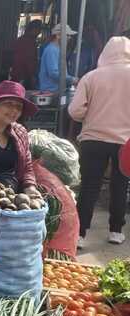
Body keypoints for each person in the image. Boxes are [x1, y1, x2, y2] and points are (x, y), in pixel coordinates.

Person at [68, 36, 130, 247]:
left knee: (89, 186)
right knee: (120, 185)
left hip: (93, 139)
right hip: (125, 141)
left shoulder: (91, 77)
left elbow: (75, 111)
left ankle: (80, 233)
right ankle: (115, 231)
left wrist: (91, 113)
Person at [38, 23, 78, 92]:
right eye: (67, 35)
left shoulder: (57, 49)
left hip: (56, 90)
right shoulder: (52, 50)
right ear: (58, 36)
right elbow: (54, 73)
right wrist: (72, 79)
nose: (69, 37)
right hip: (51, 91)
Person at [10, 20, 43, 89]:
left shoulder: (20, 40)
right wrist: (32, 77)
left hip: (17, 74)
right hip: (23, 77)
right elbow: (28, 61)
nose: (39, 32)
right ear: (34, 29)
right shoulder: (29, 42)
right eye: (39, 30)